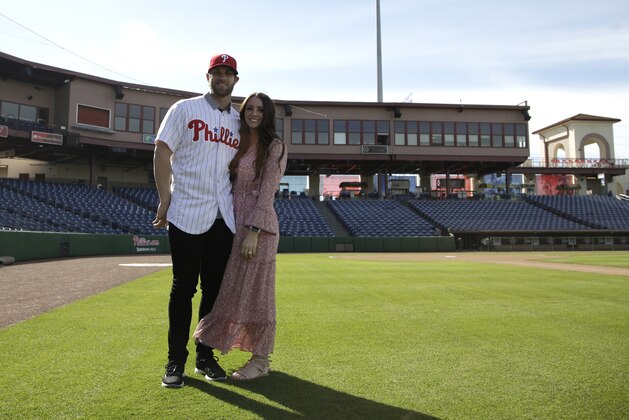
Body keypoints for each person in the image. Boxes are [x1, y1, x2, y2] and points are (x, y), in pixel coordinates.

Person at [153, 53, 240, 388]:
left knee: (214, 291)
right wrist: (165, 198)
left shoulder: (238, 120)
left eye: (228, 72)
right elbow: (162, 150)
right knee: (183, 288)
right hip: (187, 210)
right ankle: (176, 361)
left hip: (223, 216)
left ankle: (205, 356)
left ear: (235, 79)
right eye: (217, 71)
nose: (222, 76)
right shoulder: (185, 109)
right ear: (208, 77)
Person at [193, 92, 287, 381]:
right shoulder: (236, 138)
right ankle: (208, 350)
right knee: (232, 290)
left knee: (258, 293)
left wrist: (254, 232)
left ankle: (260, 361)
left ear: (268, 114)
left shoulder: (274, 146)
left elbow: (267, 192)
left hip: (256, 228)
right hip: (231, 219)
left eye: (261, 109)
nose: (254, 113)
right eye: (250, 108)